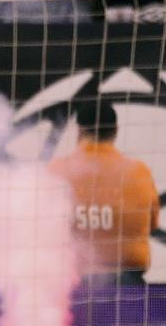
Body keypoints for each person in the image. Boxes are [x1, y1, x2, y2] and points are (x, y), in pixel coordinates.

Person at [48, 101, 159, 285]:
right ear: (115, 131)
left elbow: (39, 228)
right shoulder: (139, 172)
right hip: (128, 284)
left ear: (79, 131)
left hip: (70, 285)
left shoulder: (56, 171)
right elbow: (152, 223)